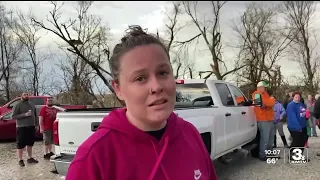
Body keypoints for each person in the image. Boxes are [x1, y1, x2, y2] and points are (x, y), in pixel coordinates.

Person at [66, 25, 217, 180]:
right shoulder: (93, 157)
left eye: (163, 73)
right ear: (118, 89)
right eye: (140, 78)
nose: (156, 86)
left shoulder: (190, 135)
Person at [12, 92, 39, 167]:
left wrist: (37, 125)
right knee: (20, 144)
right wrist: (24, 115)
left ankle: (30, 158)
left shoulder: (32, 104)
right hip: (22, 127)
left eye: (27, 95)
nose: (26, 96)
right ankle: (20, 160)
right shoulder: (18, 105)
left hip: (31, 126)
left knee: (30, 143)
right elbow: (13, 116)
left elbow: (36, 115)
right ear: (22, 96)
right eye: (24, 95)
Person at [252, 81, 276, 161]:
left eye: (265, 87)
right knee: (264, 139)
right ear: (259, 87)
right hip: (263, 120)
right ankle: (262, 155)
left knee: (271, 138)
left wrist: (268, 103)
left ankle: (269, 153)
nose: (265, 89)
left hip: (270, 119)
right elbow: (264, 105)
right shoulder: (256, 94)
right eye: (264, 87)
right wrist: (270, 101)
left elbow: (269, 104)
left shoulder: (265, 94)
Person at [286, 92, 309, 161]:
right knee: (297, 141)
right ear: (293, 97)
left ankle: (299, 154)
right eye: (296, 97)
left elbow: (304, 113)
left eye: (299, 97)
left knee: (303, 140)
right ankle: (292, 155)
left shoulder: (301, 104)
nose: (297, 98)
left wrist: (307, 115)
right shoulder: (291, 105)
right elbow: (292, 117)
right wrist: (298, 127)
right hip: (294, 127)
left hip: (303, 126)